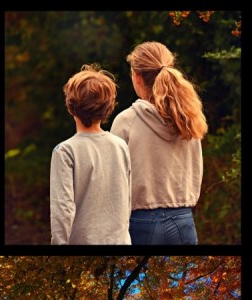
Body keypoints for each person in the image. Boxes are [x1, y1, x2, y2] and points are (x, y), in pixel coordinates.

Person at [111, 41, 207, 245]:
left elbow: (114, 181)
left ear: (137, 77)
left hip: (140, 221)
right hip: (183, 220)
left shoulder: (126, 121)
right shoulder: (189, 117)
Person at [50, 64, 131, 245]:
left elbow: (62, 210)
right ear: (109, 107)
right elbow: (127, 200)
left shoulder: (64, 151)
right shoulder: (120, 146)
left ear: (70, 106)